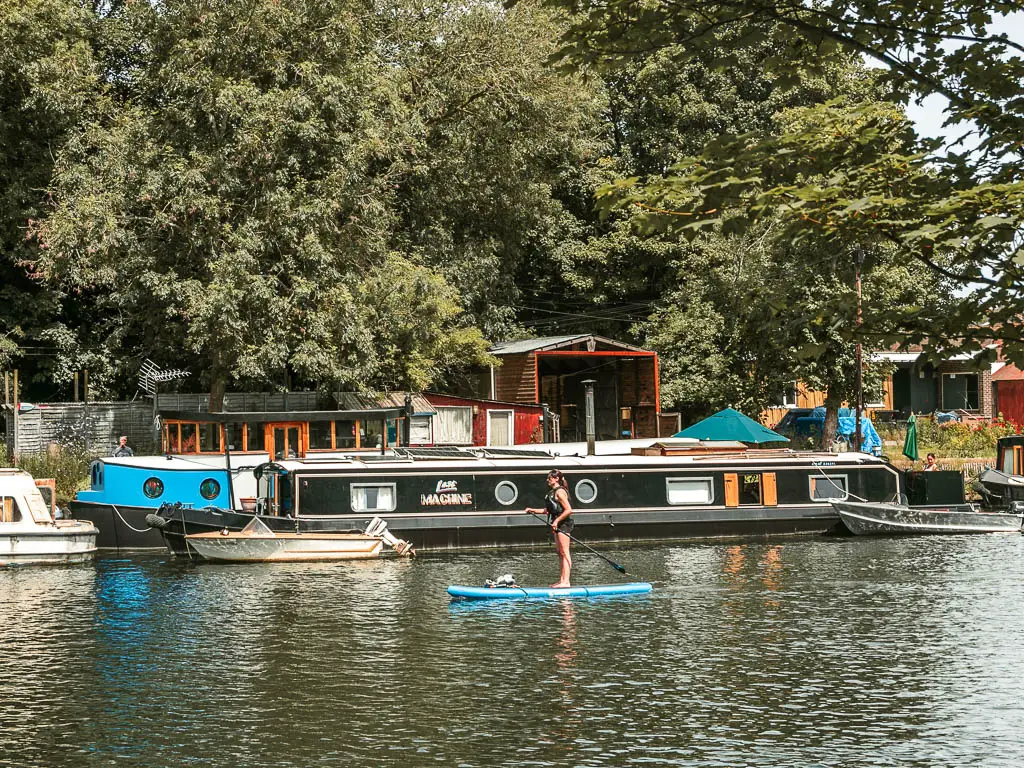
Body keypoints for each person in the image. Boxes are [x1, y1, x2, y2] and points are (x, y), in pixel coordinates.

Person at [525, 469, 574, 588]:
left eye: (549, 478)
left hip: (564, 524)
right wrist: (533, 510)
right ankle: (561, 580)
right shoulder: (552, 492)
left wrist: (557, 521)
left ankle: (566, 582)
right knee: (559, 552)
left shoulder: (560, 492)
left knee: (565, 552)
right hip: (556, 524)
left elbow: (568, 509)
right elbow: (548, 510)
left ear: (556, 479)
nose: (547, 480)